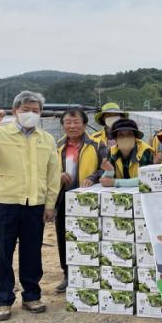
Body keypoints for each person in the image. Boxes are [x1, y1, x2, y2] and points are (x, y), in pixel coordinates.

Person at [0, 91, 61, 321]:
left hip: (35, 205)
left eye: (35, 110)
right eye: (25, 110)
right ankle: (3, 300)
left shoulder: (46, 139)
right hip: (4, 203)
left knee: (32, 252)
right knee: (2, 253)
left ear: (41, 113)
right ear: (15, 111)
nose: (31, 114)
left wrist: (50, 204)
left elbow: (53, 175)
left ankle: (31, 296)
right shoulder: (0, 133)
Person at [54, 109, 106, 293]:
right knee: (63, 237)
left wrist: (93, 177)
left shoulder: (97, 145)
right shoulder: (57, 146)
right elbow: (48, 169)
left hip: (87, 198)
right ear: (63, 126)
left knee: (89, 236)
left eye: (76, 122)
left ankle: (92, 273)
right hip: (63, 198)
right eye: (68, 122)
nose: (72, 126)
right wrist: (57, 175)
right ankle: (68, 274)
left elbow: (106, 168)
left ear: (84, 124)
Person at [100, 118, 154, 187]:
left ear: (135, 138)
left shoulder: (145, 151)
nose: (125, 138)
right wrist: (109, 171)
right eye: (120, 135)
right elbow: (105, 181)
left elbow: (148, 179)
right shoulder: (112, 152)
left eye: (129, 134)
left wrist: (116, 182)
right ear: (115, 139)